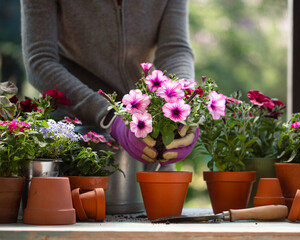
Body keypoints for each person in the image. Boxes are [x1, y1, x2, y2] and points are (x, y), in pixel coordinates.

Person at [20, 0, 198, 165]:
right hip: (73, 132)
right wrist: (110, 116)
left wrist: (185, 103)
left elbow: (175, 49)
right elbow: (40, 61)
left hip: (145, 132)